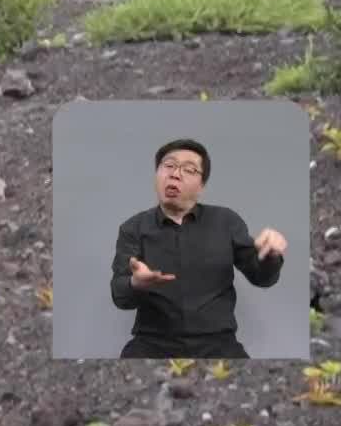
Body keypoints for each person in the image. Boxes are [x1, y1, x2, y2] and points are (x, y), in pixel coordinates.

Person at [110, 138, 286, 359]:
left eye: (189, 170)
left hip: (218, 344)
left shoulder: (226, 221)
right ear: (157, 174)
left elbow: (261, 277)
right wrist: (135, 283)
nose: (175, 174)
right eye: (169, 166)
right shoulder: (133, 228)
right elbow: (120, 295)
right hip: (152, 344)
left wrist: (270, 255)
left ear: (201, 186)